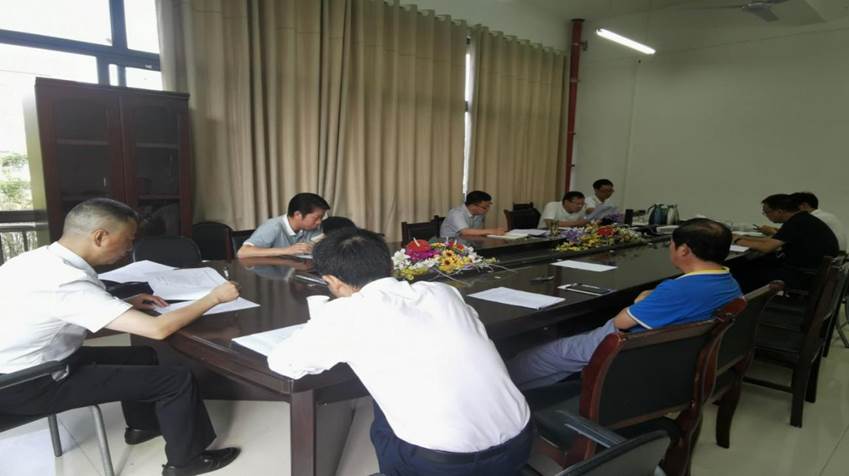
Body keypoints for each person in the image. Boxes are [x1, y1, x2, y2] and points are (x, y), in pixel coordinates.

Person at [0, 198, 241, 476]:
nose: (129, 248)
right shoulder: (66, 281)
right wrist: (214, 298)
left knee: (141, 355)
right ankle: (186, 462)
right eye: (128, 239)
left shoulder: (36, 260)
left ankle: (142, 427)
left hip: (20, 365)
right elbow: (158, 329)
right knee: (177, 379)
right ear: (100, 237)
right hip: (29, 383)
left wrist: (123, 302)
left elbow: (61, 307)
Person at [268, 228, 532, 475]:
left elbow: (282, 363)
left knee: (382, 427)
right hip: (521, 440)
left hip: (445, 464)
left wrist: (321, 322)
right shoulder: (442, 292)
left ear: (332, 281)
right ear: (391, 266)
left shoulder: (345, 314)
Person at [508, 218, 742, 391]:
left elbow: (622, 322)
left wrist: (644, 299)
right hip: (671, 354)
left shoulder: (678, 289)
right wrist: (653, 296)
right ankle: (532, 395)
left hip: (626, 347)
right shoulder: (728, 281)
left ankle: (505, 397)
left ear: (683, 250)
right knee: (563, 352)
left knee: (538, 357)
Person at [737, 194, 839, 291]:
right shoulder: (803, 218)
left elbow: (766, 247)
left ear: (779, 211)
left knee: (744, 271)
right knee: (756, 263)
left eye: (766, 212)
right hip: (812, 272)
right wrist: (743, 237)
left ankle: (746, 302)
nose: (766, 215)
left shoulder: (796, 222)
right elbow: (773, 240)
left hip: (803, 276)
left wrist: (737, 241)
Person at [237, 193, 330, 258]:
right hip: (273, 274)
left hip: (298, 270)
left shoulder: (314, 226)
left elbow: (325, 246)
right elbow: (243, 252)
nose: (319, 221)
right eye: (317, 218)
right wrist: (287, 250)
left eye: (321, 217)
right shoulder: (273, 226)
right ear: (298, 214)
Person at [439, 190, 507, 238]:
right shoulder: (456, 213)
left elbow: (476, 232)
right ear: (472, 206)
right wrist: (492, 231)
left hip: (467, 243)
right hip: (449, 246)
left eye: (489, 206)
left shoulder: (479, 214)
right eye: (485, 207)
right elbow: (465, 232)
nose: (488, 209)